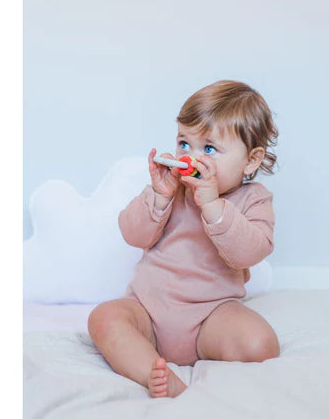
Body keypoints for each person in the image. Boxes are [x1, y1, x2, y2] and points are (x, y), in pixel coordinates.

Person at [88, 80, 280, 398]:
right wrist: (159, 198)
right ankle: (152, 371)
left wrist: (213, 206)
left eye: (209, 149)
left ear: (251, 160)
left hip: (211, 317)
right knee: (104, 318)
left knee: (261, 343)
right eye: (184, 143)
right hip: (148, 311)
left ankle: (188, 356)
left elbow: (249, 253)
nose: (190, 158)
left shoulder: (254, 199)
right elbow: (132, 234)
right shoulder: (171, 189)